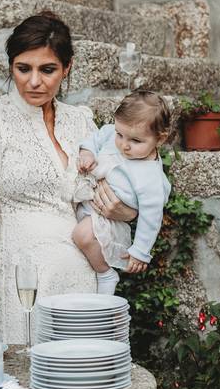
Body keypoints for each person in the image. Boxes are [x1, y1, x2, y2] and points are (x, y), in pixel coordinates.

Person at [0, 12, 137, 344]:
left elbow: (114, 191)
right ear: (10, 66)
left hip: (81, 275)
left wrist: (128, 212)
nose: (34, 81)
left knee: (79, 375)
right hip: (21, 276)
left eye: (48, 70)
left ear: (66, 68)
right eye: (23, 69)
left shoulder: (81, 121)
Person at [72, 90, 172, 295]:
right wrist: (87, 153)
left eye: (135, 141)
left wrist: (140, 252)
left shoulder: (150, 177)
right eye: (120, 135)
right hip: (87, 203)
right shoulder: (113, 133)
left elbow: (151, 218)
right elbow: (96, 137)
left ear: (160, 139)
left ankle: (105, 273)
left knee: (82, 235)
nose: (124, 145)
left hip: (108, 219)